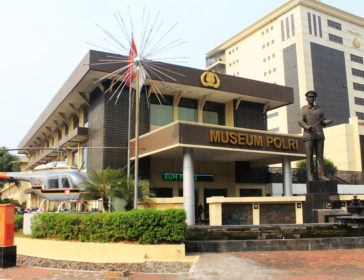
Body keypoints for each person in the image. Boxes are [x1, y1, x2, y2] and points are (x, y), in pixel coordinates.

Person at [298, 90, 332, 181]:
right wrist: (307, 126)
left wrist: (326, 122)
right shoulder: (304, 109)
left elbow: (322, 122)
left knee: (320, 156)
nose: (311, 98)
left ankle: (321, 174)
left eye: (313, 97)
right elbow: (300, 121)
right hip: (309, 135)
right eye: (309, 97)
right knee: (309, 156)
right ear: (306, 98)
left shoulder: (319, 110)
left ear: (315, 98)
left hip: (319, 135)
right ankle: (310, 175)